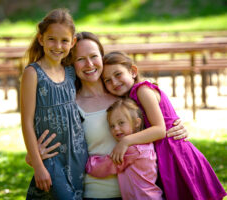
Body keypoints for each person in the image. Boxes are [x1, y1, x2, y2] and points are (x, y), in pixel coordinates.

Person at [27, 31, 189, 199]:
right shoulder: (69, 105)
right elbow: (48, 148)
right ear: (71, 64)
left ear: (102, 57)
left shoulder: (124, 96)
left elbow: (156, 128)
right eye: (80, 59)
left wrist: (177, 129)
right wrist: (36, 158)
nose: (89, 64)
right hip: (96, 194)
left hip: (141, 193)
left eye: (93, 56)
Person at [101, 51, 227, 200]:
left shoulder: (142, 90)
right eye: (107, 80)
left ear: (133, 71)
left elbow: (160, 130)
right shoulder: (130, 97)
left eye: (118, 74)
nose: (114, 82)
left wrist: (126, 141)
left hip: (175, 154)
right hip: (165, 153)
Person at [20, 8, 88, 199]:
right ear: (41, 39)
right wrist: (37, 163)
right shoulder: (33, 73)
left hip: (78, 154)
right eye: (51, 39)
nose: (58, 45)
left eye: (64, 40)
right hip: (49, 157)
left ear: (72, 42)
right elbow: (26, 122)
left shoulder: (71, 72)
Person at [86, 98, 163, 200]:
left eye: (121, 123)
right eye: (112, 126)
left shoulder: (131, 150)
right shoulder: (146, 144)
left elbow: (102, 168)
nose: (116, 128)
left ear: (136, 123)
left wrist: (88, 162)